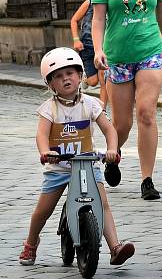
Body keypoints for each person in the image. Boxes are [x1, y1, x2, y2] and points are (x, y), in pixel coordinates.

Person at [19, 47, 135, 267]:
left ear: (80, 75)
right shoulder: (48, 109)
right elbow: (41, 135)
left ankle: (115, 247)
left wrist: (112, 149)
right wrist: (46, 152)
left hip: (87, 164)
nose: (65, 79)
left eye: (70, 73)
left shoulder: (91, 104)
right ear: (50, 84)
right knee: (43, 211)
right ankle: (31, 243)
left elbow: (110, 130)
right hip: (59, 168)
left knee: (102, 204)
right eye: (59, 77)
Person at [91, 0, 162, 201]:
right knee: (122, 124)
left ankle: (147, 179)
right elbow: (99, 18)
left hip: (150, 51)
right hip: (117, 57)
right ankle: (113, 155)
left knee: (147, 112)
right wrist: (98, 50)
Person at [69, 0, 107, 106]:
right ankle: (85, 78)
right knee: (93, 81)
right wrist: (76, 39)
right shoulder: (89, 4)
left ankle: (102, 110)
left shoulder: (112, 4)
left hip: (104, 47)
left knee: (103, 77)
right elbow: (74, 20)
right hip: (87, 47)